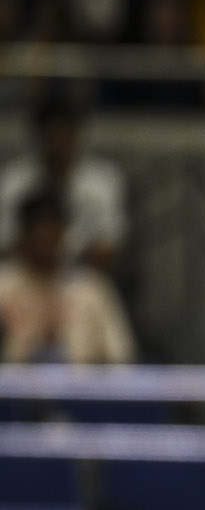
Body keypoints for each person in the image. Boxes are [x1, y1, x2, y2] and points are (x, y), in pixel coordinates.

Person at [0, 189, 134, 364]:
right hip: (12, 388)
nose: (46, 237)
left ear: (63, 232)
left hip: (81, 387)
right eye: (39, 228)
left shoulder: (90, 287)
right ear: (24, 234)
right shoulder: (4, 284)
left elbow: (120, 356)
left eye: (53, 228)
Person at [0, 96, 127, 271]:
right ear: (38, 134)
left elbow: (108, 248)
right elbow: (7, 244)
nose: (58, 140)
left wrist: (56, 258)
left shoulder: (102, 180)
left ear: (76, 132)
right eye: (51, 132)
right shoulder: (14, 179)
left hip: (82, 278)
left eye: (64, 131)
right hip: (25, 276)